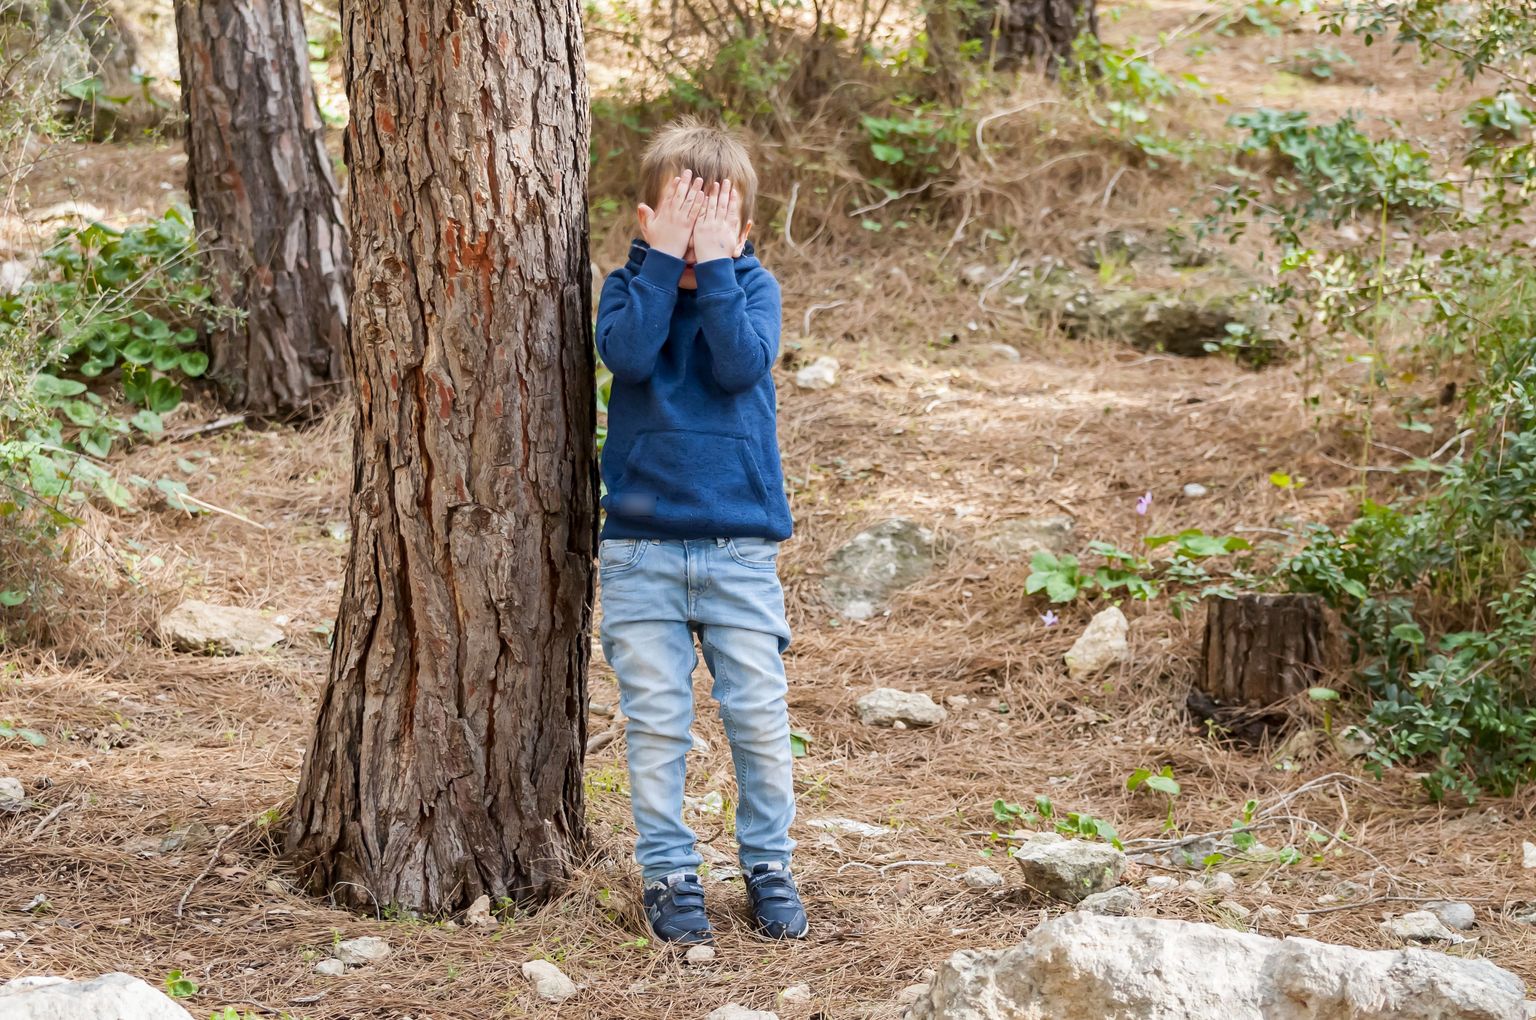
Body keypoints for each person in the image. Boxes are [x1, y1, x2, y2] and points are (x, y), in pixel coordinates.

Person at [594, 118, 805, 945]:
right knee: (656, 721)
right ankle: (670, 871)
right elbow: (633, 359)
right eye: (676, 226)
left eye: (712, 230)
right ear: (646, 221)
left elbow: (737, 365)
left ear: (743, 232)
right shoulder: (627, 289)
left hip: (738, 546)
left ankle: (769, 863)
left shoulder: (752, 290)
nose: (691, 249)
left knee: (755, 712)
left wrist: (716, 262)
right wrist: (660, 261)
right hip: (641, 548)